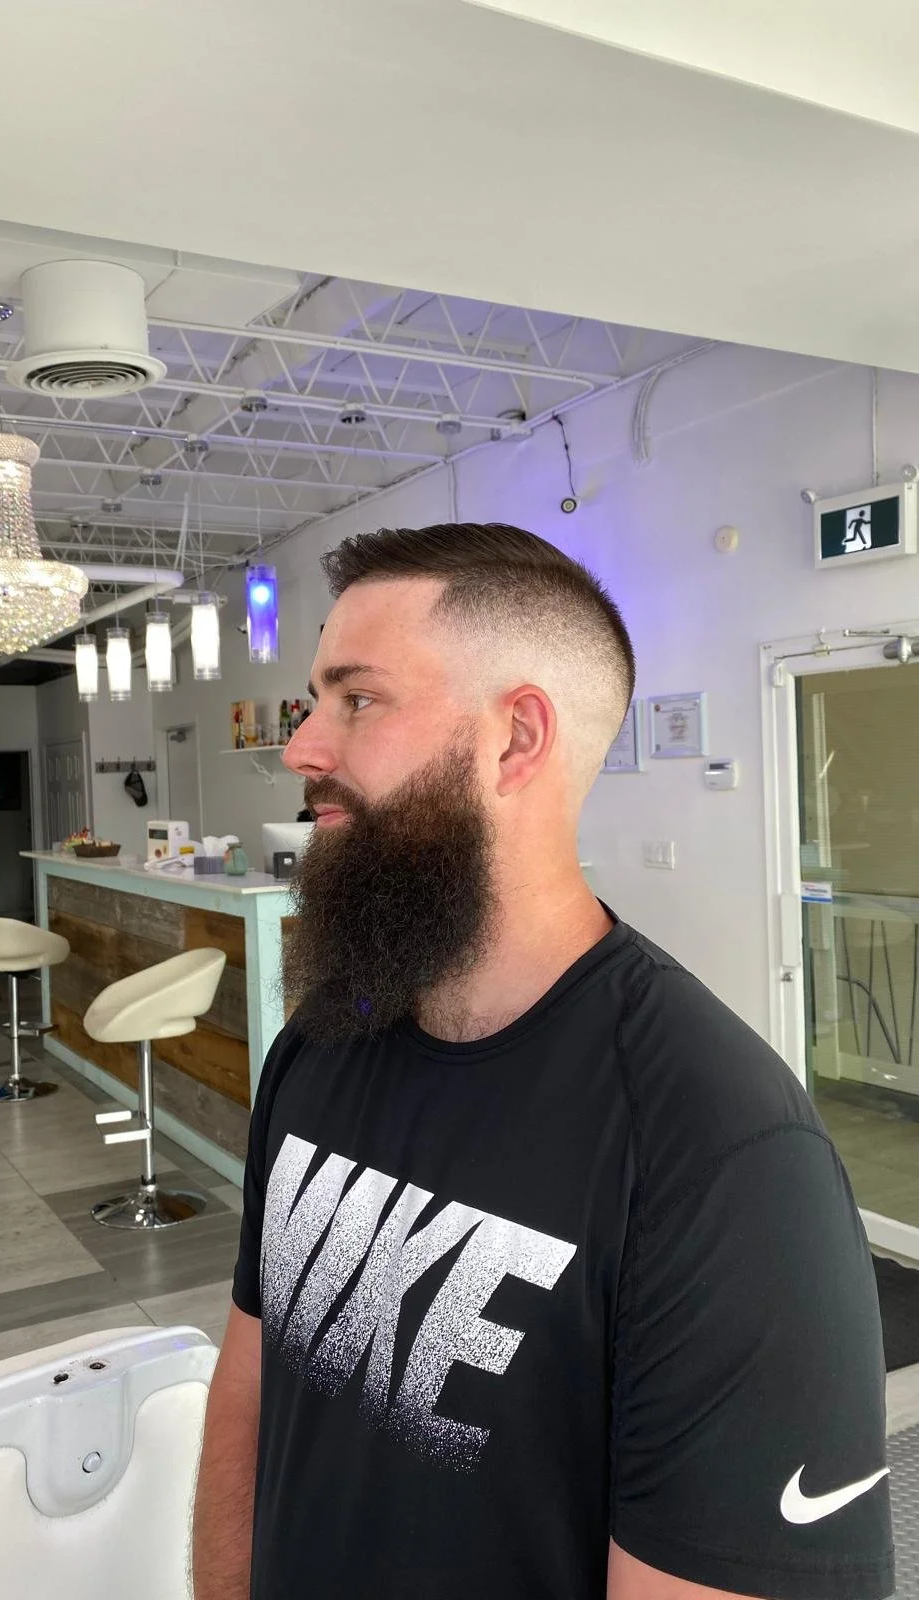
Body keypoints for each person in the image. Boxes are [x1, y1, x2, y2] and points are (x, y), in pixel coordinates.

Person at [192, 522, 893, 1600]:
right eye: (315, 701)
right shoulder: (321, 1041)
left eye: (357, 699)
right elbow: (250, 1395)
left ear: (517, 739)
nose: (303, 749)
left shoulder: (725, 1158)